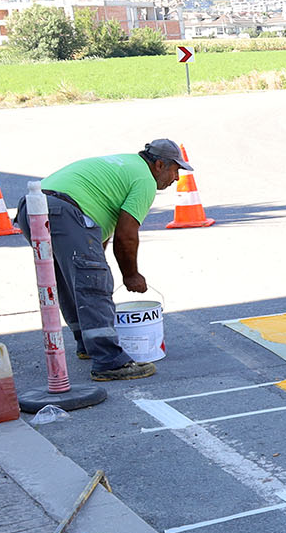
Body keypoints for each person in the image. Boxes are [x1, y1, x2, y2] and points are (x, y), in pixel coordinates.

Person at [20, 139, 188, 382]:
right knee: (93, 283)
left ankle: (88, 344)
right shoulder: (144, 180)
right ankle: (109, 361)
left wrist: (96, 262)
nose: (176, 178)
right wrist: (131, 275)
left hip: (32, 207)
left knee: (71, 280)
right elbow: (126, 235)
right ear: (159, 165)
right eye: (175, 170)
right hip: (64, 210)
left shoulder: (127, 165)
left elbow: (97, 237)